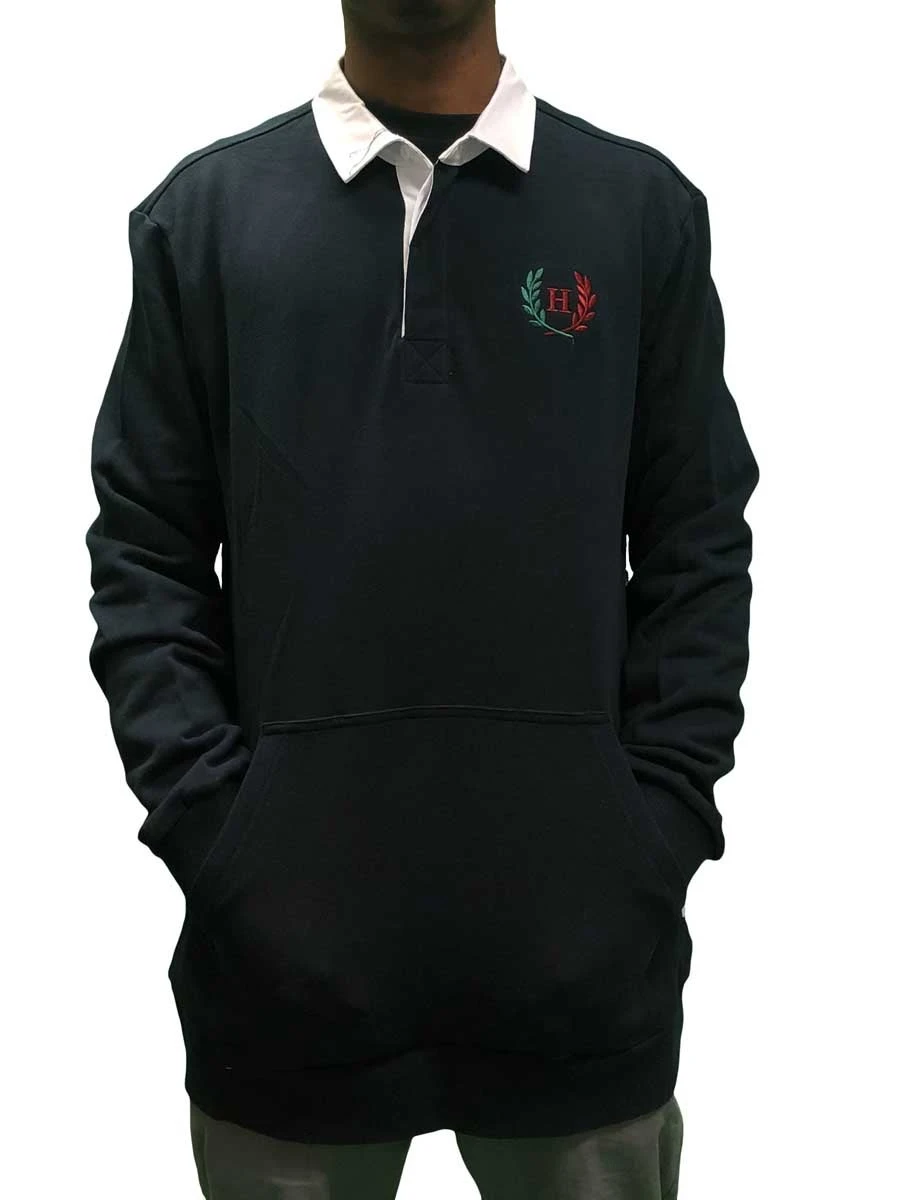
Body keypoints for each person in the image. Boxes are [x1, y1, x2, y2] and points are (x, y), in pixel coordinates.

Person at [84, 1, 759, 1195]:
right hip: (281, 991)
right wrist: (218, 834)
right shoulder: (203, 221)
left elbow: (697, 539)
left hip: (586, 977)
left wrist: (654, 826)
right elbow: (146, 550)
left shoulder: (639, 213)